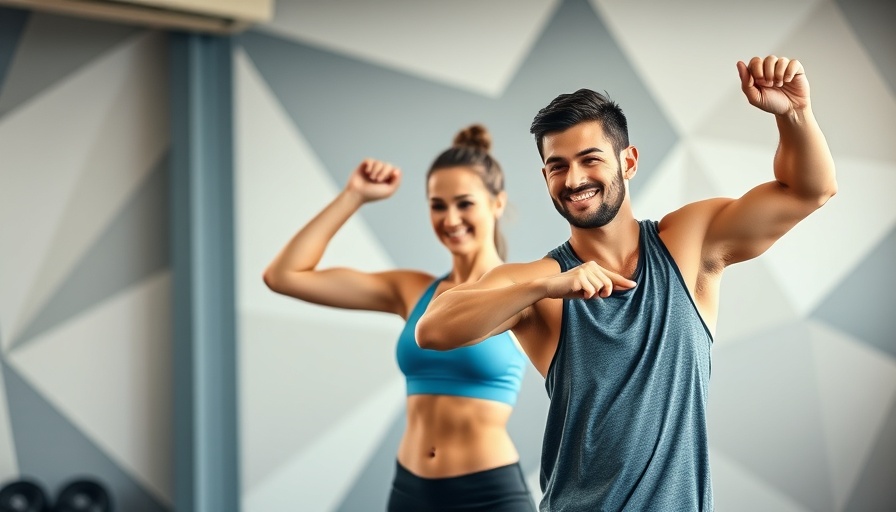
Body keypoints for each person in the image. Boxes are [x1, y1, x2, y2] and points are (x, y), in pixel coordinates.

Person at [416, 55, 837, 511]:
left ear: (628, 161)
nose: (573, 179)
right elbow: (432, 329)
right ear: (545, 178)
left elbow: (807, 189)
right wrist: (544, 288)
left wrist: (794, 115)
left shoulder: (689, 242)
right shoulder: (539, 281)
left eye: (589, 159)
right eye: (557, 167)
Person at [263, 124, 537, 511]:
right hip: (410, 492)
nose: (450, 218)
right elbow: (283, 276)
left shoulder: (527, 289)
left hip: (488, 495)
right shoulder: (412, 291)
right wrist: (354, 196)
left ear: (497, 203)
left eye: (464, 203)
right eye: (437, 205)